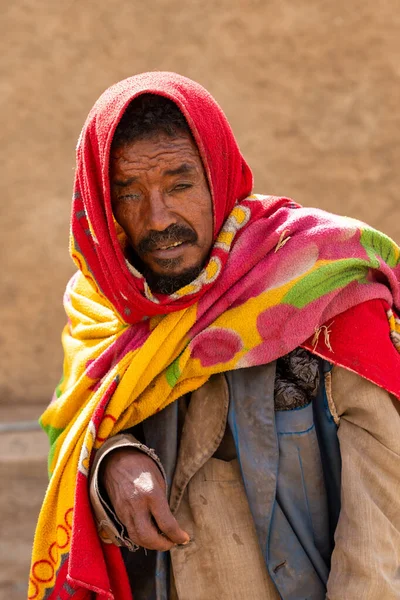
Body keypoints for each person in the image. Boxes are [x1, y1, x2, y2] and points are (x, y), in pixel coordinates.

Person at [30, 72, 400, 600]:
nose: (158, 219)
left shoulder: (317, 282)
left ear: (218, 176)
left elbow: (381, 526)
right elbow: (72, 429)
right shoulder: (103, 307)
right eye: (130, 194)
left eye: (180, 185)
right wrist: (113, 458)